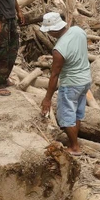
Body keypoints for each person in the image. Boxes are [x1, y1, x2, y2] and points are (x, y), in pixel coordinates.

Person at [39, 12, 91, 154]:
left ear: (54, 30)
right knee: (77, 113)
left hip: (71, 83)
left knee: (66, 116)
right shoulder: (78, 31)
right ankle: (74, 142)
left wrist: (47, 98)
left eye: (49, 31)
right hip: (85, 79)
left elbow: (54, 75)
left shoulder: (59, 50)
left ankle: (74, 147)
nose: (49, 34)